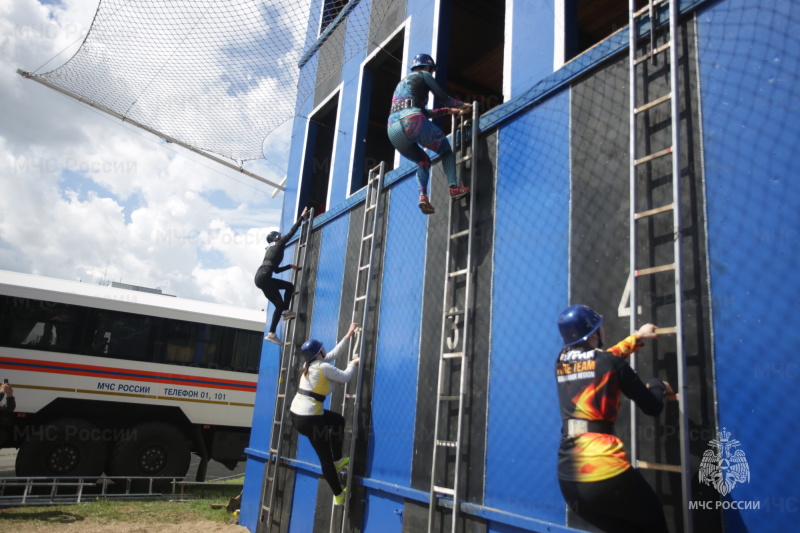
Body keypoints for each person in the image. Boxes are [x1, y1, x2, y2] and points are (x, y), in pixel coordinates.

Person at [555, 304, 673, 533]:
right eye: (600, 328)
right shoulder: (611, 365)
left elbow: (601, 361)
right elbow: (653, 407)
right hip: (605, 474)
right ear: (593, 334)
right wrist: (657, 385)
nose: (604, 331)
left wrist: (637, 337)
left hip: (569, 481)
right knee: (655, 525)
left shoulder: (560, 361)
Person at [387, 53, 472, 215]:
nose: (431, 73)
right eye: (431, 70)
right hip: (411, 121)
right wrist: (464, 105)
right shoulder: (424, 75)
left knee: (423, 161)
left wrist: (447, 112)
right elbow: (443, 97)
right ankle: (454, 188)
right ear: (427, 67)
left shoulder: (401, 85)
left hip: (392, 129)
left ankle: (423, 197)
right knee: (446, 149)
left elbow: (423, 112)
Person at [289, 323, 360, 506]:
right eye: (322, 348)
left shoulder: (311, 364)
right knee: (324, 457)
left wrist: (348, 335)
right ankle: (338, 495)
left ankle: (338, 460)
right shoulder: (322, 367)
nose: (325, 349)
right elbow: (345, 377)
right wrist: (352, 364)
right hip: (309, 419)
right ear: (319, 353)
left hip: (300, 415)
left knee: (337, 421)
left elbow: (333, 354)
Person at [255, 206, 310, 345]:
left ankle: (273, 331)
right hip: (265, 276)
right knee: (282, 300)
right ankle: (283, 314)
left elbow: (277, 271)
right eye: (279, 235)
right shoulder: (278, 244)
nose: (281, 235)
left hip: (260, 277)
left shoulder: (270, 250)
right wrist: (302, 218)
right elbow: (292, 232)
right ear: (276, 237)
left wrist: (290, 266)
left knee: (288, 288)